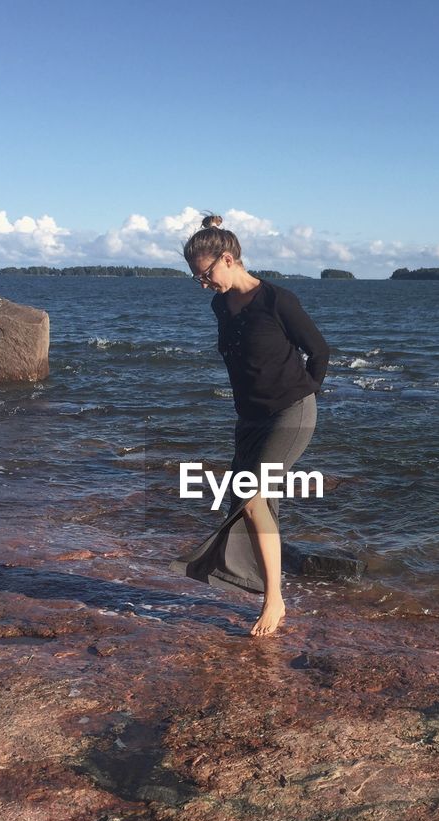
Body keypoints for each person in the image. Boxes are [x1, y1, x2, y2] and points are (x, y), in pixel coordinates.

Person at [172, 214, 329, 636]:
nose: (203, 284)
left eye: (205, 275)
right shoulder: (220, 305)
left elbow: (319, 351)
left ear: (228, 258)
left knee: (253, 497)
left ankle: (274, 601)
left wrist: (303, 392)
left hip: (290, 414)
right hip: (250, 419)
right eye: (197, 279)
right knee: (253, 505)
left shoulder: (279, 300)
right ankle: (266, 591)